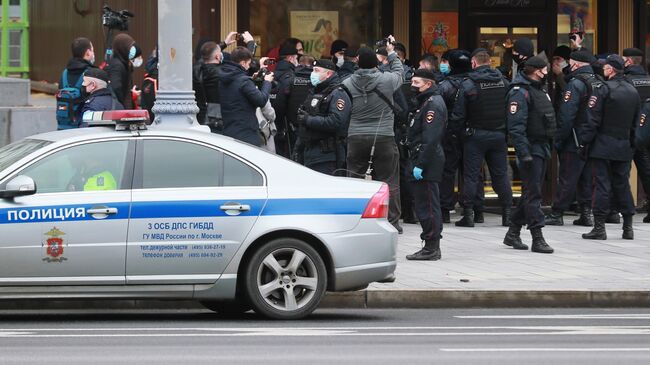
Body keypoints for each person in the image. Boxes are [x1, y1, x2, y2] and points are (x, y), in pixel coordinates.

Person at [343, 36, 404, 233]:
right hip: (384, 136)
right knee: (389, 181)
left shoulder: (347, 83)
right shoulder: (387, 81)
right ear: (377, 62)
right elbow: (399, 72)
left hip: (356, 136)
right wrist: (392, 52)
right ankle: (393, 223)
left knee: (354, 180)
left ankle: (356, 222)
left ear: (357, 62)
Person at [450, 48, 513, 227]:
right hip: (498, 135)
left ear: (474, 63)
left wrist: (457, 133)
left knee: (471, 176)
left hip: (475, 136)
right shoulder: (503, 82)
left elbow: (459, 114)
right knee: (500, 175)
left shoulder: (469, 84)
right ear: (490, 62)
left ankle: (469, 215)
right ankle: (507, 214)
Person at [580, 55, 640, 240]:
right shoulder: (633, 91)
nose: (603, 70)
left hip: (602, 145)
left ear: (611, 69)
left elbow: (592, 119)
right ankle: (628, 227)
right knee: (622, 185)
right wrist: (631, 143)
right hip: (623, 145)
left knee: (602, 185)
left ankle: (599, 227)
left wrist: (584, 142)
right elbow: (636, 122)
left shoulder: (603, 90)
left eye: (605, 67)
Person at [503, 56, 555, 254]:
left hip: (541, 148)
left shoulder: (537, 89)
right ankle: (537, 237)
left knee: (529, 193)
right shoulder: (519, 92)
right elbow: (516, 127)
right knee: (534, 194)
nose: (547, 71)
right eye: (544, 68)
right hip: (530, 150)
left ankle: (513, 232)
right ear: (537, 70)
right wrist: (524, 153)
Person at [546, 50, 600, 227]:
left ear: (575, 64)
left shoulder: (575, 84)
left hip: (574, 137)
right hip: (592, 136)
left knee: (568, 176)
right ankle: (586, 213)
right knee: (586, 177)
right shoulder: (598, 82)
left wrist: (559, 138)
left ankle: (557, 213)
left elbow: (567, 114)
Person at [404, 69, 447, 261]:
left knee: (428, 206)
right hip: (419, 157)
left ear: (428, 84)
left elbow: (430, 138)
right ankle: (429, 244)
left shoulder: (433, 105)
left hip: (426, 161)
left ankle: (431, 247)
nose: (413, 86)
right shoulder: (424, 103)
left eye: (416, 83)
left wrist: (421, 164)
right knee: (423, 204)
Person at [438, 49, 485, 224]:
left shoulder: (445, 86)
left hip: (451, 133)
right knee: (472, 173)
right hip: (473, 132)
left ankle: (445, 210)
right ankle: (476, 209)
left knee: (447, 172)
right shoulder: (475, 83)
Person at [295, 59, 351, 175]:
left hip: (327, 155)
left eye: (316, 70)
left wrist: (308, 120)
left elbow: (336, 121)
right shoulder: (316, 92)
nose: (312, 74)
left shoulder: (338, 93)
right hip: (309, 151)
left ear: (328, 74)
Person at [217, 47, 274, 146]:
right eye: (248, 64)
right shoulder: (244, 81)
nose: (249, 67)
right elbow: (261, 100)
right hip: (246, 134)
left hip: (229, 131)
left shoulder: (224, 78)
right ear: (243, 63)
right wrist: (267, 82)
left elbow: (238, 93)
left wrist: (252, 81)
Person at [622, 47, 650, 223]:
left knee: (622, 171)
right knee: (647, 171)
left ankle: (622, 209)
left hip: (630, 132)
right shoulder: (648, 80)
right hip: (647, 132)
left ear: (629, 61)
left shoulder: (625, 81)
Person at [57, 37, 97, 127]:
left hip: (63, 125)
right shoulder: (91, 73)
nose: (93, 53)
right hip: (82, 128)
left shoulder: (64, 73)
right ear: (87, 52)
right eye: (92, 50)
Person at [271, 42, 300, 158]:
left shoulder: (270, 75)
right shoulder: (293, 78)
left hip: (271, 127)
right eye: (296, 58)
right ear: (290, 58)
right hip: (288, 130)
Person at [193, 41, 223, 132]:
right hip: (218, 117)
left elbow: (205, 58)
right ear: (218, 57)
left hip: (200, 115)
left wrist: (224, 44)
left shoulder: (196, 70)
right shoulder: (221, 72)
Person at [106, 33, 138, 109]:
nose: (131, 50)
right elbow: (116, 87)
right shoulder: (117, 65)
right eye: (129, 47)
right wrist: (121, 103)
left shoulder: (123, 62)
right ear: (122, 47)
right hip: (121, 108)